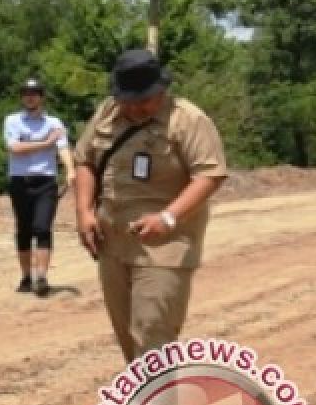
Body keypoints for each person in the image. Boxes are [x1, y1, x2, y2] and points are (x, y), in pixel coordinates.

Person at [74, 49, 227, 363]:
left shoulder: (188, 120)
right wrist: (84, 212)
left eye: (143, 100)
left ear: (162, 91)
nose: (134, 108)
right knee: (128, 336)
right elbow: (85, 160)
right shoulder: (107, 112)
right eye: (127, 100)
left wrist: (168, 218)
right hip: (112, 242)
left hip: (165, 245)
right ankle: (143, 403)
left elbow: (210, 174)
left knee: (152, 331)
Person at [3, 77, 75, 297]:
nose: (30, 97)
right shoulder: (12, 121)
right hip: (20, 180)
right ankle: (26, 276)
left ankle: (42, 276)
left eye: (34, 93)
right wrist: (45, 144)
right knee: (23, 230)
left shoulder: (54, 123)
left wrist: (70, 169)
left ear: (41, 97)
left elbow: (62, 148)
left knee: (42, 228)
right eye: (26, 93)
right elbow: (15, 147)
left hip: (45, 181)